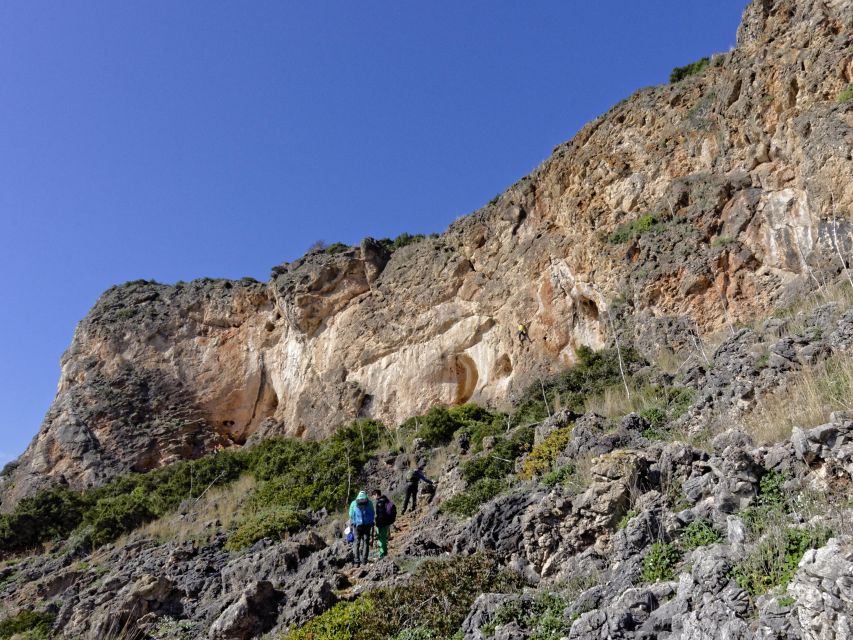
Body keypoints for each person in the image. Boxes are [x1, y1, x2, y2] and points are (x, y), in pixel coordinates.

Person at [348, 490, 375, 566]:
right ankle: (364, 560)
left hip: (357, 526)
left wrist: (354, 521)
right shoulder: (369, 502)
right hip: (367, 525)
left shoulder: (354, 503)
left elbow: (350, 514)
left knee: (356, 543)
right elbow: (373, 513)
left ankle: (357, 562)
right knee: (366, 543)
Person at [372, 489, 397, 559]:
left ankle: (383, 554)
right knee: (384, 538)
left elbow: (380, 515)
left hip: (382, 523)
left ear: (376, 494)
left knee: (382, 539)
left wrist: (378, 524)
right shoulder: (386, 500)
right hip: (388, 522)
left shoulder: (380, 503)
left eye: (373, 496)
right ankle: (384, 552)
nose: (373, 498)